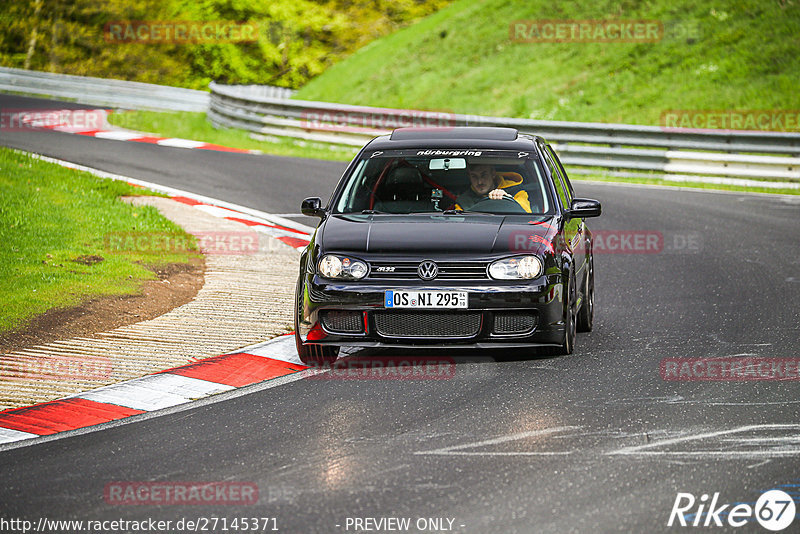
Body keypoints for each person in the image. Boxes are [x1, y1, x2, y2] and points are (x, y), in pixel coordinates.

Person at [455, 164, 531, 212]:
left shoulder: (515, 191)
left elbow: (527, 215)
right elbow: (459, 225)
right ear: (469, 177)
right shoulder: (463, 202)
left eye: (484, 175)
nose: (479, 182)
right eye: (474, 176)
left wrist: (508, 199)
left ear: (493, 174)